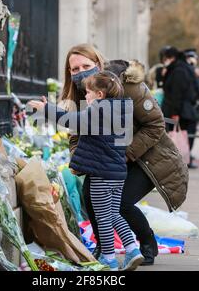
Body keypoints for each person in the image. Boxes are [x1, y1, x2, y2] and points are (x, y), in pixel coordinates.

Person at [59, 44, 189, 266]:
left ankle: (146, 244)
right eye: (75, 68)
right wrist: (80, 158)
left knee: (120, 203)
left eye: (86, 66)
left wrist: (125, 153)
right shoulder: (82, 95)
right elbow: (76, 135)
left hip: (146, 157)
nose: (81, 71)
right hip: (108, 158)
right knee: (90, 195)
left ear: (99, 64)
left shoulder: (126, 86)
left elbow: (155, 125)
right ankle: (105, 249)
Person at [28, 72, 144, 271]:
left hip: (101, 175)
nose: (86, 96)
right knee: (114, 214)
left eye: (88, 93)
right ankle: (133, 249)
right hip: (117, 174)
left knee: (103, 218)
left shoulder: (99, 111)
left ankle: (108, 258)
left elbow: (72, 120)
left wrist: (46, 109)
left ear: (99, 94)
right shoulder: (120, 109)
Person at [161, 47, 199, 168]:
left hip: (179, 111)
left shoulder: (178, 70)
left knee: (176, 135)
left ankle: (177, 160)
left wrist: (175, 113)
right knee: (183, 135)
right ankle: (181, 159)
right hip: (184, 110)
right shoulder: (183, 68)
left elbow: (176, 94)